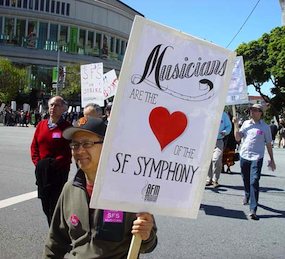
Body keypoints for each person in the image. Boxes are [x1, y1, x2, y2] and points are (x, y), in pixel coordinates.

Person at [43, 116, 157, 258]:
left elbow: (149, 244)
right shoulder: (70, 189)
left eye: (87, 143)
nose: (79, 151)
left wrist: (146, 235)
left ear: (106, 146)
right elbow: (55, 242)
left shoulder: (130, 190)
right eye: (75, 145)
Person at [31, 96, 72, 226]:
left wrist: (55, 164)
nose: (53, 108)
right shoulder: (41, 125)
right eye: (51, 105)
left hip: (58, 171)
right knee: (45, 203)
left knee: (55, 205)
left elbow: (68, 151)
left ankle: (56, 234)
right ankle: (54, 230)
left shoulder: (67, 127)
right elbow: (34, 146)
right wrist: (38, 163)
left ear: (63, 109)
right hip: (43, 170)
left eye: (56, 105)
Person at [233, 104, 276, 220]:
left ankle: (253, 209)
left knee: (254, 180)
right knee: (245, 178)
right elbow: (237, 138)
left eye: (256, 111)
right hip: (244, 155)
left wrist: (272, 159)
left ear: (261, 113)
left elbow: (268, 144)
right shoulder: (246, 124)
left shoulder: (265, 127)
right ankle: (247, 194)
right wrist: (236, 125)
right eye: (252, 110)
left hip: (257, 157)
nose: (253, 112)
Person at [206, 111, 232, 188]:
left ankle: (215, 180)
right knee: (207, 160)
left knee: (216, 159)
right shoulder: (208, 112)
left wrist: (225, 131)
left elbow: (228, 126)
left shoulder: (224, 115)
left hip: (218, 141)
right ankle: (208, 179)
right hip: (208, 141)